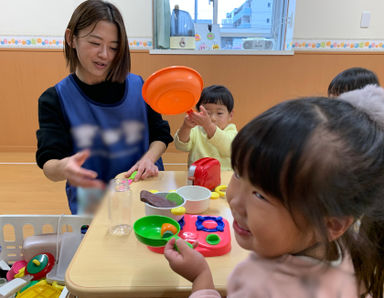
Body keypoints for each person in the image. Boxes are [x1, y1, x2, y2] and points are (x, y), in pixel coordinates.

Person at [164, 95, 384, 297]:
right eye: (239, 174)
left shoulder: (261, 286)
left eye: (260, 195)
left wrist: (201, 277)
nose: (235, 201)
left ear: (333, 224)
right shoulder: (345, 249)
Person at [36, 0, 173, 214]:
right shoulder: (55, 99)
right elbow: (49, 162)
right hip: (93, 208)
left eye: (114, 47)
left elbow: (161, 134)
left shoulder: (139, 87)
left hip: (146, 197)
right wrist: (64, 167)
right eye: (95, 43)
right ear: (71, 38)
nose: (105, 55)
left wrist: (148, 158)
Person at [174, 85, 237, 171]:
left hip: (225, 178)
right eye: (207, 112)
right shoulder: (195, 130)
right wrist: (186, 127)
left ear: (230, 115)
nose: (212, 118)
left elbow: (229, 148)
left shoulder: (231, 131)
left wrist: (208, 125)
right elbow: (181, 146)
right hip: (197, 177)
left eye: (219, 113)